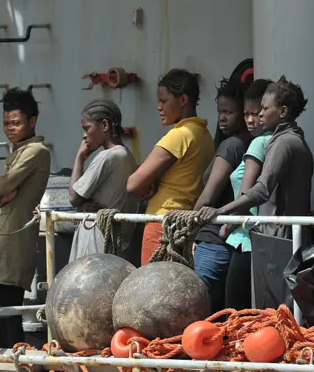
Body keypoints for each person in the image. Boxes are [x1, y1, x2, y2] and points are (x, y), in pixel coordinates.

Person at [200, 76, 314, 307]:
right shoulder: (292, 140)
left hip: (278, 240)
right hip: (283, 238)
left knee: (267, 312)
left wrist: (221, 211)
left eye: (264, 108)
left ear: (282, 111)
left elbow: (261, 190)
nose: (259, 114)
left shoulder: (284, 143)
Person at [0, 88, 50, 351]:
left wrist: (0, 191)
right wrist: (1, 196)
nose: (10, 129)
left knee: (8, 308)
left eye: (17, 123)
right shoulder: (21, 150)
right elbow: (1, 195)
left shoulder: (35, 151)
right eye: (7, 124)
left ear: (32, 121)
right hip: (6, 237)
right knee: (4, 306)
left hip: (15, 240)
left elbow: (0, 187)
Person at [127, 69, 214, 265]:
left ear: (183, 100)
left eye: (163, 101)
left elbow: (133, 184)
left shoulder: (180, 135)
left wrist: (149, 184)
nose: (159, 107)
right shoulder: (204, 135)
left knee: (153, 290)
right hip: (186, 226)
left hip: (162, 225)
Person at [192, 74, 253, 312]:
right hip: (234, 242)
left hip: (213, 241)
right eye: (219, 112)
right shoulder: (254, 143)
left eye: (229, 112)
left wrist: (189, 229)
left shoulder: (232, 145)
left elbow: (208, 196)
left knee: (201, 311)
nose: (222, 118)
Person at [219, 78, 273, 310]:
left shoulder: (260, 143)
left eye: (256, 113)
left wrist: (224, 223)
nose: (250, 120)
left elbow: (246, 193)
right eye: (246, 114)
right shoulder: (278, 142)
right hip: (252, 238)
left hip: (247, 238)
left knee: (236, 310)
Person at [69, 99, 139, 260]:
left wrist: (79, 158)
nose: (84, 136)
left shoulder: (107, 156)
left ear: (104, 126)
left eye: (87, 128)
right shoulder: (127, 156)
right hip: (115, 245)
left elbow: (74, 196)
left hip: (96, 241)